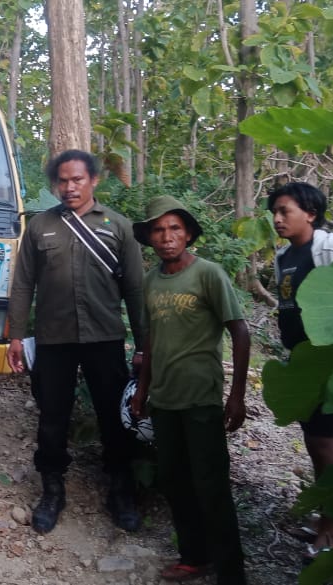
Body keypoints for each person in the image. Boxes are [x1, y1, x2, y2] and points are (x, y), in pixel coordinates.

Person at [6, 149, 146, 534]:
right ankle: (52, 490)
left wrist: (144, 347)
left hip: (106, 338)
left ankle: (121, 490)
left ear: (94, 180)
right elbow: (22, 284)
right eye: (63, 181)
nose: (69, 188)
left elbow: (135, 290)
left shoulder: (119, 227)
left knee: (113, 418)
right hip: (54, 340)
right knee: (52, 418)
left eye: (77, 180)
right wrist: (16, 335)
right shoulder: (40, 227)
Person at [129, 196, 250, 585]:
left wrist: (236, 395)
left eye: (175, 229)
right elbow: (149, 345)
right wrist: (141, 391)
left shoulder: (209, 274)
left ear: (189, 234)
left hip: (201, 397)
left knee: (211, 484)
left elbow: (240, 331)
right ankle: (194, 557)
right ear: (149, 238)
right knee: (176, 482)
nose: (167, 237)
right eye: (159, 230)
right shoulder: (149, 282)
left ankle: (232, 571)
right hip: (164, 399)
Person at [267, 182, 333, 559]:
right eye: (275, 213)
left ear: (311, 213)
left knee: (323, 442)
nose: (278, 219)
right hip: (301, 362)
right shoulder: (285, 256)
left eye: (285, 211)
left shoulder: (329, 249)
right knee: (315, 443)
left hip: (329, 361)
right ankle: (326, 517)